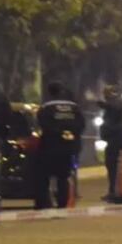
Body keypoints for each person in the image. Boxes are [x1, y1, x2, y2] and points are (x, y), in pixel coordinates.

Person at [35, 81, 85, 209]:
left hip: (50, 147)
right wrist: (70, 135)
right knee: (64, 176)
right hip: (69, 147)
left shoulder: (46, 108)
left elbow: (43, 125)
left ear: (49, 92)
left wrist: (56, 133)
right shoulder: (74, 107)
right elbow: (81, 125)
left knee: (43, 175)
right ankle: (63, 203)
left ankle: (44, 203)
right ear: (61, 91)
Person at [97, 84, 122, 202]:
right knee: (112, 165)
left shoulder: (116, 103)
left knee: (113, 165)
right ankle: (116, 190)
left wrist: (104, 105)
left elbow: (114, 107)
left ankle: (116, 192)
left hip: (118, 138)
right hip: (116, 138)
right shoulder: (114, 104)